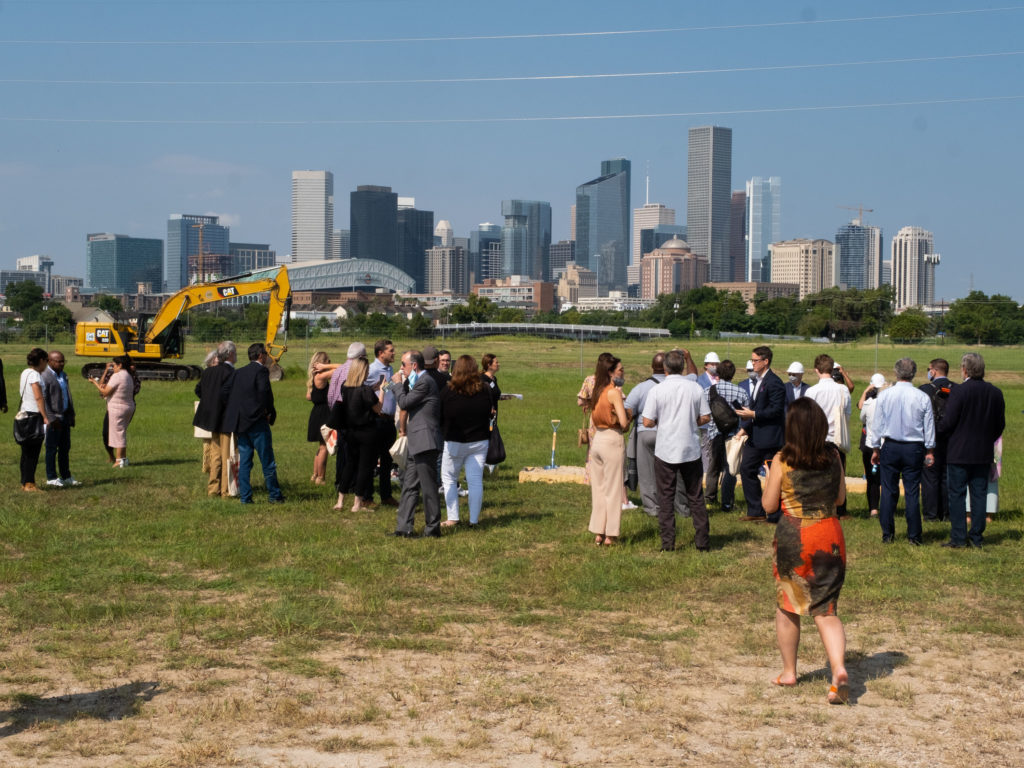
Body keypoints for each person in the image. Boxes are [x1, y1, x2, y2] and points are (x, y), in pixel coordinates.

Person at [762, 398, 849, 705]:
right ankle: (837, 668)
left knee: (789, 605)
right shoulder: (832, 455)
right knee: (826, 610)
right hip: (828, 534)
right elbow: (839, 499)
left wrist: (768, 477)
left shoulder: (783, 458)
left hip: (795, 537)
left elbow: (769, 505)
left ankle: (789, 672)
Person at [642, 349, 712, 552]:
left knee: (665, 498)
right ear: (682, 368)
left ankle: (668, 543)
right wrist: (691, 421)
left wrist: (662, 421)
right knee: (696, 497)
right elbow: (706, 417)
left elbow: (647, 421)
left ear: (664, 369)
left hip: (665, 450)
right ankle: (702, 542)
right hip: (690, 449)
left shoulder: (657, 390)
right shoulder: (694, 387)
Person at [940, 352, 1005, 550]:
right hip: (983, 452)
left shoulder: (959, 391)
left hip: (959, 451)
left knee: (957, 495)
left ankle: (959, 537)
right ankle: (977, 536)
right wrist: (987, 439)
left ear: (965, 369)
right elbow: (999, 425)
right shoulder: (995, 392)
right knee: (979, 495)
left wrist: (940, 431)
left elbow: (949, 422)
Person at [866, 358, 934, 545]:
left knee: (888, 490)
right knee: (912, 492)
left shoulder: (886, 395)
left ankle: (887, 533)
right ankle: (914, 536)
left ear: (896, 373)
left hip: (891, 446)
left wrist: (875, 448)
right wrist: (930, 449)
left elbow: (877, 424)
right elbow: (929, 427)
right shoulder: (921, 397)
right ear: (913, 374)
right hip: (914, 447)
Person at [624, 353, 689, 519]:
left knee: (647, 474)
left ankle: (653, 507)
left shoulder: (641, 387)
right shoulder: (681, 385)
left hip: (647, 433)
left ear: (653, 367)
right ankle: (681, 507)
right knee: (677, 472)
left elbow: (628, 411)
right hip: (673, 433)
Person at [222, 342, 284, 504]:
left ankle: (245, 497)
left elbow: (226, 391)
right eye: (265, 353)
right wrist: (268, 412)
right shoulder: (262, 371)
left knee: (245, 462)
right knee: (267, 461)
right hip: (257, 422)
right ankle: (274, 495)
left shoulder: (238, 372)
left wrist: (238, 407)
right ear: (260, 356)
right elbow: (265, 393)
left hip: (241, 423)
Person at [391, 350, 443, 538]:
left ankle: (432, 528)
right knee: (409, 485)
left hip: (425, 441)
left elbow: (404, 403)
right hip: (416, 441)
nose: (401, 369)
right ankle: (403, 527)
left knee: (428, 487)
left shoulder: (425, 382)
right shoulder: (418, 382)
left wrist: (397, 385)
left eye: (403, 365)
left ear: (414, 365)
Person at [439, 355, 493, 527]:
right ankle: (474, 520)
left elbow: (441, 415)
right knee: (475, 480)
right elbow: (489, 412)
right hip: (480, 441)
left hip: (455, 441)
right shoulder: (484, 389)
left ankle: (453, 517)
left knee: (449, 479)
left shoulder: (448, 391)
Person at [735, 346, 786, 523]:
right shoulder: (759, 381)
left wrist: (754, 414)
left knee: (773, 474)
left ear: (766, 361)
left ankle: (774, 512)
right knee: (746, 468)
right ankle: (756, 509)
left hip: (770, 438)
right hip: (756, 436)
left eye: (755, 360)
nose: (753, 363)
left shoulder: (774, 382)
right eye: (752, 360)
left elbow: (777, 411)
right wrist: (745, 426)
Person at [585, 354, 630, 545]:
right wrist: (629, 414)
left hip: (598, 439)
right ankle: (611, 533)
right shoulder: (614, 392)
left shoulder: (597, 390)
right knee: (613, 489)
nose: (623, 372)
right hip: (612, 439)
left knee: (599, 488)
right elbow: (623, 422)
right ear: (611, 372)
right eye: (620, 369)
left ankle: (598, 531)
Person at [332, 356, 383, 512]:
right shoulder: (365, 390)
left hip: (350, 432)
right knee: (364, 467)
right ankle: (357, 504)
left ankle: (340, 501)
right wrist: (382, 391)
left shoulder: (345, 388)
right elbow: (378, 408)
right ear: (363, 372)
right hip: (367, 432)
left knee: (350, 464)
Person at [804, 354, 852, 518]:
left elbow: (808, 418)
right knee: (838, 476)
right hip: (837, 439)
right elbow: (847, 413)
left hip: (818, 439)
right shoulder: (843, 389)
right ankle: (839, 509)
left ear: (816, 370)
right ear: (832, 370)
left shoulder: (812, 391)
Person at [702, 359, 750, 513]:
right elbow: (746, 416)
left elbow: (703, 412)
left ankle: (710, 499)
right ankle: (727, 502)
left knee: (713, 467)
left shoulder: (708, 391)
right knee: (730, 468)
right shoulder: (741, 392)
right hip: (733, 435)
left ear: (718, 373)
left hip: (714, 433)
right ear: (733, 374)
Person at [194, 341, 236, 497]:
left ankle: (213, 489)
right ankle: (226, 490)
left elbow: (200, 390)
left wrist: (210, 403)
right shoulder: (231, 373)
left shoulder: (208, 372)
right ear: (230, 354)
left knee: (215, 455)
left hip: (210, 419)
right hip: (225, 419)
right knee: (227, 456)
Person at [918, 358, 957, 522]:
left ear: (933, 371)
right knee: (947, 476)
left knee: (929, 477)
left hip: (930, 439)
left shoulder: (925, 390)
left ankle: (931, 514)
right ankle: (947, 513)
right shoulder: (957, 389)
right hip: (952, 439)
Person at [367, 339, 399, 506]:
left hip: (389, 421)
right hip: (376, 420)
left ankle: (386, 496)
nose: (394, 353)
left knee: (387, 460)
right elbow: (363, 391)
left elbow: (385, 389)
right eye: (391, 351)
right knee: (371, 460)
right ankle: (367, 497)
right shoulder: (371, 370)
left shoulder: (390, 369)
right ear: (381, 353)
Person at [41, 350, 79, 487]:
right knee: (51, 449)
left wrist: (71, 414)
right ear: (50, 361)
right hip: (53, 419)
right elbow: (43, 400)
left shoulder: (63, 375)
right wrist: (51, 418)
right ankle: (51, 477)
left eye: (63, 361)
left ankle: (66, 475)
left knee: (65, 448)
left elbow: (67, 396)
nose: (62, 364)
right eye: (59, 361)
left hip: (64, 417)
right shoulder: (44, 376)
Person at [90, 355, 136, 468]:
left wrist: (94, 383)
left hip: (118, 408)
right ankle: (123, 459)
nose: (113, 367)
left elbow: (105, 392)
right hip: (128, 406)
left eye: (114, 365)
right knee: (121, 432)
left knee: (118, 433)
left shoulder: (117, 375)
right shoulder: (128, 375)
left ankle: (119, 460)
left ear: (120, 365)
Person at [17, 348, 49, 492]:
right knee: (33, 452)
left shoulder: (25, 372)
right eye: (46, 361)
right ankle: (29, 483)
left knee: (26, 451)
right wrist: (45, 416)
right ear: (41, 361)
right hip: (34, 415)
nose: (46, 364)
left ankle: (24, 482)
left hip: (24, 413)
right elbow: (38, 396)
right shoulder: (35, 375)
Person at [857, 373, 887, 518]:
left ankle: (873, 508)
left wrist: (866, 394)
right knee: (887, 478)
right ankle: (888, 508)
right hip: (887, 445)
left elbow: (861, 416)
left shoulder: (869, 403)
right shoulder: (890, 402)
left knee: (872, 479)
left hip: (870, 444)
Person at [306, 351, 334, 485]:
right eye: (328, 361)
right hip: (323, 413)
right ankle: (321, 477)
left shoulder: (313, 377)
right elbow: (343, 369)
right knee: (324, 447)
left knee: (320, 446)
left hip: (316, 412)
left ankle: (315, 474)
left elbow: (308, 396)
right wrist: (326, 367)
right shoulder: (321, 376)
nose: (330, 364)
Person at [695, 351, 720, 478]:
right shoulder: (700, 380)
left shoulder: (720, 379)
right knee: (705, 447)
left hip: (720, 420)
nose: (714, 366)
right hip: (707, 420)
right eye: (712, 364)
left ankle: (717, 472)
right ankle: (705, 472)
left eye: (716, 364)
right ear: (705, 365)